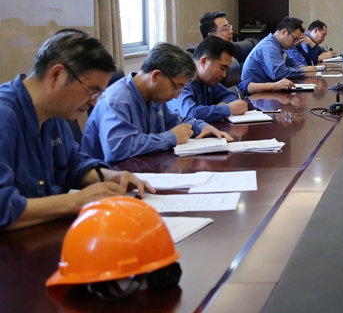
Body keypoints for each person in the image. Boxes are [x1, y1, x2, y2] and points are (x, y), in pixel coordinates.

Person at [0, 30, 152, 231]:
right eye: (92, 91)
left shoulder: (55, 111)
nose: (94, 102)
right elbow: (3, 208)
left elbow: (72, 163)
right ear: (56, 75)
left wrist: (109, 177)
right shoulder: (5, 116)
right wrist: (76, 201)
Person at [82, 43, 232, 164]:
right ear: (156, 76)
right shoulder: (117, 100)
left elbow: (175, 121)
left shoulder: (154, 96)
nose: (176, 95)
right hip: (109, 181)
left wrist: (202, 127)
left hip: (143, 170)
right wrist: (170, 138)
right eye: (177, 87)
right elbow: (118, 149)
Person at [169, 37, 249, 123]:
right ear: (204, 62)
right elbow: (190, 113)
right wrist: (228, 109)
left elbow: (231, 95)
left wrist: (220, 108)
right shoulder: (182, 80)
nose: (224, 75)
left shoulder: (208, 81)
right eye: (222, 68)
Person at [241, 16, 318, 89]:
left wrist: (303, 68)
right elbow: (278, 73)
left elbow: (291, 62)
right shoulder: (269, 47)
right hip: (256, 95)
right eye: (295, 39)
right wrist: (303, 71)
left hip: (269, 91)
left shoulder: (278, 46)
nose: (295, 43)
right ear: (284, 32)